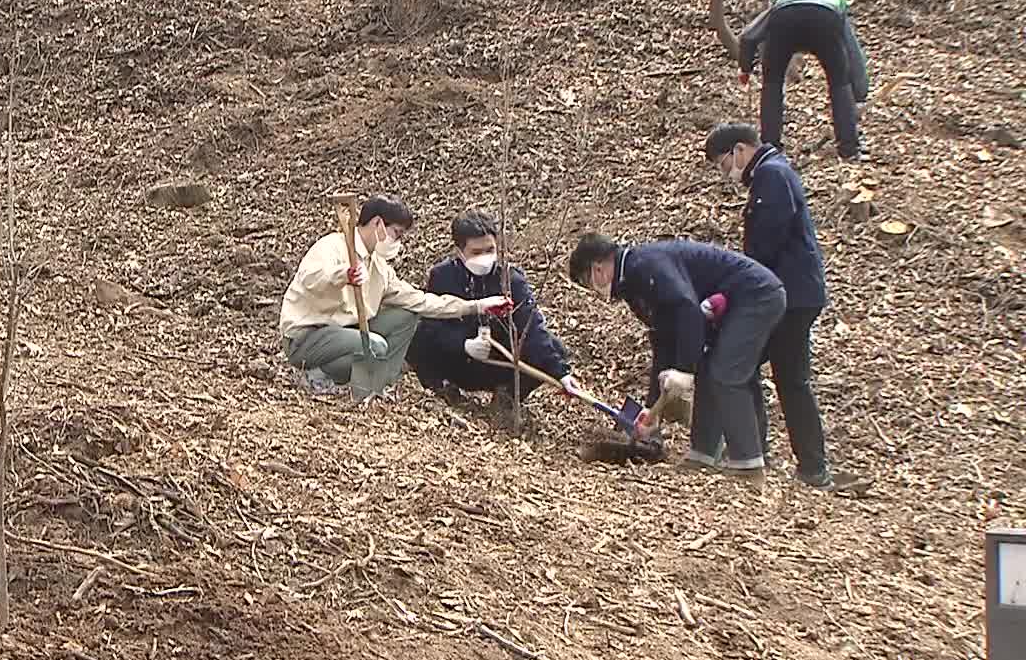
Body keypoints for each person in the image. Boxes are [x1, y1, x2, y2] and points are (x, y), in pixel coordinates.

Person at [705, 124, 866, 493]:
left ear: (741, 150)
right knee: (754, 369)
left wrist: (738, 286)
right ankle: (758, 451)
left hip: (789, 297)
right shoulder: (771, 174)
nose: (725, 172)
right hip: (787, 293)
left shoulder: (772, 176)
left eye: (723, 163)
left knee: (780, 376)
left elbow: (766, 244)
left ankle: (802, 464)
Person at [568, 232, 786, 476]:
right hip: (731, 304)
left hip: (755, 295)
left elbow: (687, 309)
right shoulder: (633, 282)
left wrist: (684, 370)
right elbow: (664, 341)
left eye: (588, 282)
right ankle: (703, 454)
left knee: (725, 372)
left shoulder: (644, 266)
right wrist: (652, 409)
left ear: (597, 268)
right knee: (707, 368)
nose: (594, 290)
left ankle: (748, 465)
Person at [279, 196, 512, 397]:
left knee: (406, 315)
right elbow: (311, 279)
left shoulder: (380, 270)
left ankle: (372, 386)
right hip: (307, 337)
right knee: (376, 345)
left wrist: (477, 306)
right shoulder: (332, 246)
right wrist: (343, 275)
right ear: (378, 223)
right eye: (396, 234)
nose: (397, 242)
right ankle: (318, 375)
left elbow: (421, 300)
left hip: (345, 333)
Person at [408, 210, 579, 422]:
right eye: (476, 252)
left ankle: (507, 397)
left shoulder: (511, 280)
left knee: (555, 347)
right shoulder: (443, 276)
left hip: (499, 364)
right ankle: (442, 389)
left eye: (489, 250)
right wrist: (463, 344)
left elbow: (532, 326)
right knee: (417, 336)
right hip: (456, 361)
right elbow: (433, 326)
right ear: (459, 251)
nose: (484, 257)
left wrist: (561, 373)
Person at [737, 0, 870, 160]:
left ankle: (770, 148)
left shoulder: (780, 3)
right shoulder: (836, 2)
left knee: (772, 84)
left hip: (785, 19)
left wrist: (745, 68)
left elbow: (747, 36)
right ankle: (849, 149)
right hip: (825, 18)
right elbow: (852, 51)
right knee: (839, 82)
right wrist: (860, 90)